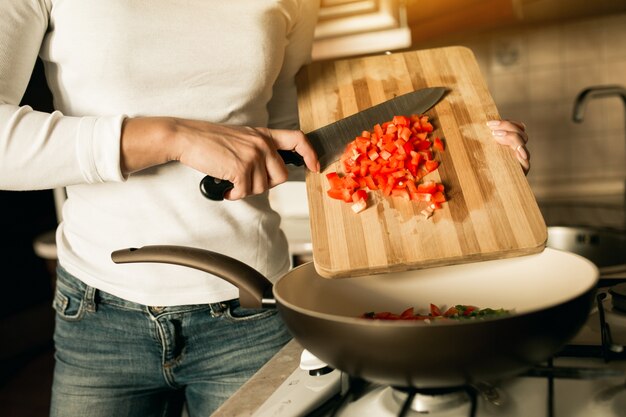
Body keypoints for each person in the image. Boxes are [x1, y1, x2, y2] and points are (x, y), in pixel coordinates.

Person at [0, 1, 529, 416]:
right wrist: (169, 136)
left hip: (250, 314)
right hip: (96, 315)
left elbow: (285, 135)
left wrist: (465, 153)